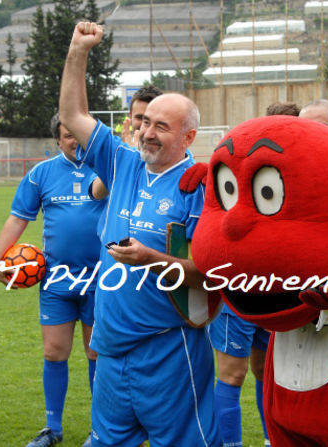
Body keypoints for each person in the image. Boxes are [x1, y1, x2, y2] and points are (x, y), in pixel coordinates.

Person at [59, 22, 219, 446]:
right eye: (145, 122)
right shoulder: (121, 163)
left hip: (169, 346)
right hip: (111, 348)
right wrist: (78, 51)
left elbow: (213, 274)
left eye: (161, 127)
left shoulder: (199, 186)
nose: (147, 132)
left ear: (188, 137)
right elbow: (73, 116)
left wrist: (153, 259)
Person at [0, 113, 104, 447]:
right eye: (67, 135)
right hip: (57, 279)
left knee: (96, 353)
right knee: (54, 352)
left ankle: (100, 429)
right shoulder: (42, 173)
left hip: (102, 279)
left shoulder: (107, 168)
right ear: (58, 140)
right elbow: (17, 218)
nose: (74, 140)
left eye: (78, 134)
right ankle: (52, 429)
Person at [207, 101, 300, 447]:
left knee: (267, 373)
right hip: (239, 291)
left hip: (279, 295)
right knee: (232, 374)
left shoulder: (299, 177)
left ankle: (270, 439)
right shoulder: (244, 171)